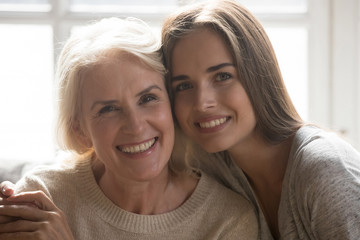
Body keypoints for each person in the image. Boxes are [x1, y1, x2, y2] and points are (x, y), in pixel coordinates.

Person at [0, 17, 259, 239]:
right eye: (108, 109)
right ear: (80, 129)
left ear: (171, 104)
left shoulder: (227, 220)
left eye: (148, 99)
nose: (135, 126)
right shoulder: (42, 200)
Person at [161, 0, 360, 239]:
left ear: (258, 75)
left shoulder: (325, 169)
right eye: (183, 85)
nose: (202, 102)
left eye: (223, 76)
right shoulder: (210, 170)